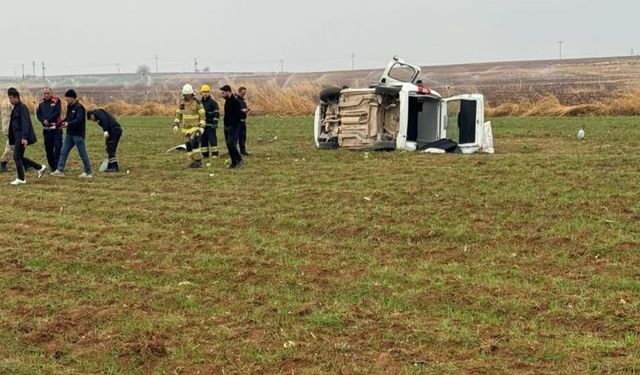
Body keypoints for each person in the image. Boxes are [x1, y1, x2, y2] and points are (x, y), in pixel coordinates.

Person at [7, 88, 46, 185]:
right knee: (19, 157)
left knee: (16, 156)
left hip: (21, 137)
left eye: (11, 98)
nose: (10, 100)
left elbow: (25, 123)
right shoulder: (16, 107)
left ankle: (21, 178)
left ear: (16, 97)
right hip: (17, 137)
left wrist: (24, 138)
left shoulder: (22, 107)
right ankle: (40, 167)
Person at [50, 89, 93, 178]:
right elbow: (67, 118)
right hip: (69, 134)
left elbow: (78, 120)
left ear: (72, 98)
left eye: (67, 98)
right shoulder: (70, 106)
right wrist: (58, 125)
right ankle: (60, 170)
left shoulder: (79, 108)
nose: (66, 100)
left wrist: (68, 123)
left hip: (78, 135)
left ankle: (88, 172)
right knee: (63, 152)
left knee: (82, 153)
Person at [173, 84, 206, 168]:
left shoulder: (197, 103)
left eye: (188, 95)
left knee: (195, 143)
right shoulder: (182, 103)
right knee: (188, 145)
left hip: (195, 128)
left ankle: (198, 161)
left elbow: (202, 115)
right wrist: (176, 124)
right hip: (185, 129)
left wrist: (202, 127)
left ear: (192, 94)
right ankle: (192, 161)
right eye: (185, 95)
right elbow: (179, 114)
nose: (187, 96)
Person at [36, 87, 63, 171]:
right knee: (48, 149)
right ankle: (52, 166)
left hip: (56, 129)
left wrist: (48, 120)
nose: (46, 95)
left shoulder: (56, 100)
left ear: (51, 93)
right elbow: (38, 114)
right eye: (45, 93)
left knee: (58, 147)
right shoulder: (40, 102)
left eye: (48, 93)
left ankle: (58, 166)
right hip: (46, 130)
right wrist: (43, 120)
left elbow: (57, 112)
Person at [220, 85, 244, 169]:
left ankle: (239, 160)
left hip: (234, 127)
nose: (222, 95)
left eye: (223, 93)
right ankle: (233, 162)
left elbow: (239, 115)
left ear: (228, 92)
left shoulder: (235, 101)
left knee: (231, 144)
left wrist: (233, 125)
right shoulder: (227, 101)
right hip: (227, 126)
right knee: (228, 145)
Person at [199, 85, 220, 158]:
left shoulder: (213, 103)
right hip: (202, 126)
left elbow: (216, 114)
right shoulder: (199, 103)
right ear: (201, 93)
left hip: (211, 125)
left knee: (212, 139)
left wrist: (215, 123)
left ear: (209, 92)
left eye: (207, 92)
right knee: (203, 140)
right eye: (204, 92)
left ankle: (215, 154)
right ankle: (205, 154)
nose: (205, 93)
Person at [0, 91, 14, 173]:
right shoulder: (10, 103)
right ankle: (3, 163)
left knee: (16, 146)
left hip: (6, 127)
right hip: (10, 128)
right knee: (10, 146)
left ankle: (23, 163)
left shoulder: (4, 101)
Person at [237, 86, 251, 156]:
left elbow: (243, 108)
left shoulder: (243, 100)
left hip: (243, 121)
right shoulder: (235, 100)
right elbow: (235, 110)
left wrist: (246, 110)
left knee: (243, 137)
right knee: (236, 137)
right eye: (242, 94)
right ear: (239, 92)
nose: (243, 95)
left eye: (244, 94)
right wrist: (242, 110)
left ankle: (243, 151)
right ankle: (235, 152)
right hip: (237, 122)